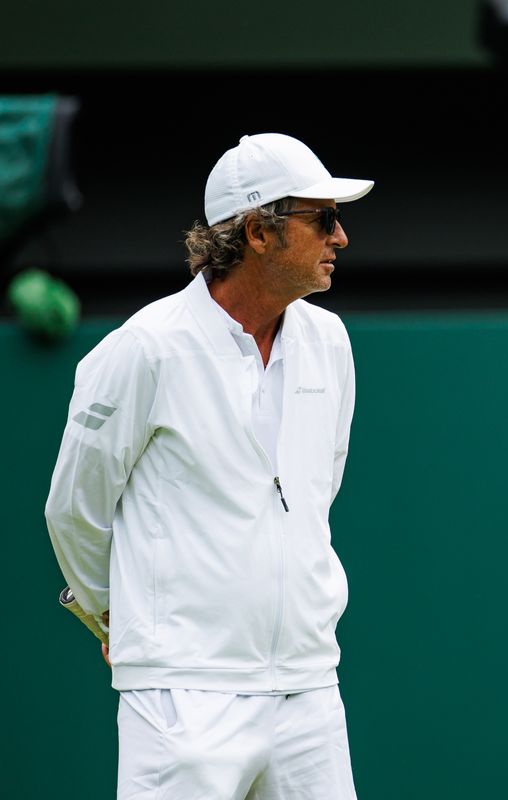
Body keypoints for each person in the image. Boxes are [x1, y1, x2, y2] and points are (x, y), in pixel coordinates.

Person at [45, 132, 373, 800]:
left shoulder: (331, 344)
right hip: (180, 694)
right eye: (323, 220)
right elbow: (73, 510)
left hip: (308, 687)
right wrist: (121, 620)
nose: (340, 237)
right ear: (258, 232)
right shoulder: (144, 349)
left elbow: (315, 492)